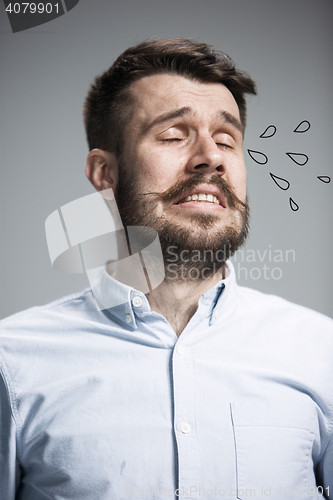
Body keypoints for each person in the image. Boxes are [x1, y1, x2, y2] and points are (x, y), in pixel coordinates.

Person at [0, 39, 332, 500]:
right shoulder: (11, 363)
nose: (210, 157)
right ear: (104, 172)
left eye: (226, 139)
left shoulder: (322, 353)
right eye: (174, 135)